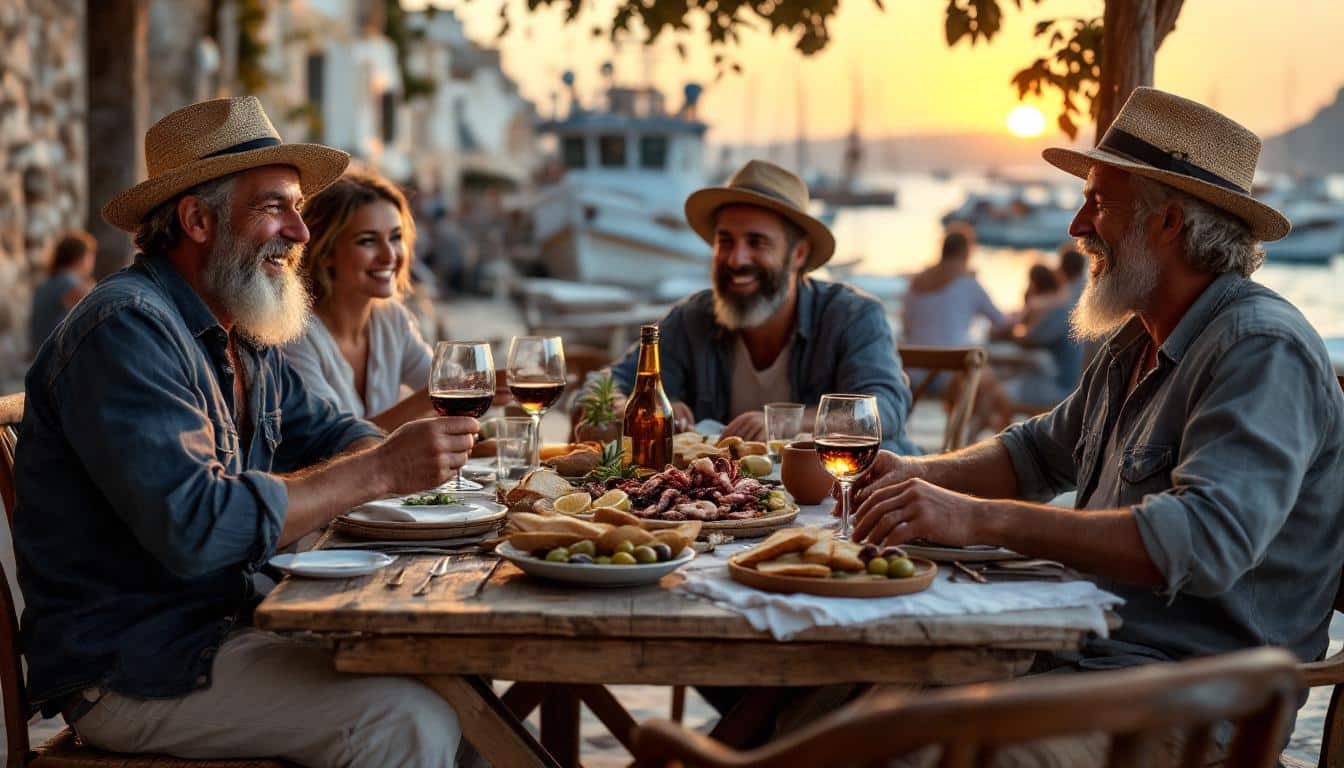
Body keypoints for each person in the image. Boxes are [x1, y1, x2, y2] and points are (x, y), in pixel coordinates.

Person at [850, 88, 1344, 765]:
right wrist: (909, 476)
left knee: (902, 753)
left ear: (1169, 224)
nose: (1078, 225)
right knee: (832, 707)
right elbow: (1034, 453)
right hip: (1079, 660)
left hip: (1192, 710)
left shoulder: (1261, 348)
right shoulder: (1133, 341)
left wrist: (979, 518)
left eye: (1100, 203)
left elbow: (1204, 539)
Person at [14, 97, 476, 766]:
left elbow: (334, 431)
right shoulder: (125, 329)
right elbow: (199, 529)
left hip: (225, 628)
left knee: (458, 689)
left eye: (297, 208)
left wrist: (377, 456)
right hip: (137, 669)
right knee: (407, 721)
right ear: (198, 220)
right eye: (274, 207)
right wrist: (378, 472)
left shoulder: (243, 335)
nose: (299, 231)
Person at [601, 159, 916, 453]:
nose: (736, 260)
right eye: (725, 241)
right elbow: (600, 388)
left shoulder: (853, 315)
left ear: (799, 255)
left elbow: (884, 408)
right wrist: (635, 407)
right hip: (736, 504)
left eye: (756, 242)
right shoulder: (693, 318)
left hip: (849, 497)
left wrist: (783, 424)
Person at [283, 169, 435, 431]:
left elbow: (440, 378)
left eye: (396, 238)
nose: (389, 256)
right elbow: (334, 444)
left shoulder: (392, 319)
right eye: (367, 241)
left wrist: (494, 382)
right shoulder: (295, 338)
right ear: (325, 252)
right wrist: (438, 395)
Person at [900, 224, 1007, 349]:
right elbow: (1001, 322)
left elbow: (906, 329)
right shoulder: (968, 284)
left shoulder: (916, 282)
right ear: (966, 253)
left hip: (916, 364)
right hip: (952, 364)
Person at [27, 230, 97, 356]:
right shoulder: (70, 282)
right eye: (91, 255)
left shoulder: (51, 280)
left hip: (40, 351)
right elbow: (97, 311)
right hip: (53, 356)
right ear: (80, 257)